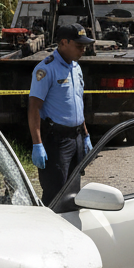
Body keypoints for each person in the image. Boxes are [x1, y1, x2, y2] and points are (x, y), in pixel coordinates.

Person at [28, 25, 94, 205]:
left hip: (77, 138)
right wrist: (37, 144)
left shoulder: (76, 67)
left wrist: (86, 135)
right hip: (57, 141)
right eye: (79, 45)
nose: (83, 49)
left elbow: (77, 104)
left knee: (74, 193)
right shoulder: (46, 69)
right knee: (55, 195)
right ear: (64, 42)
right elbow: (34, 107)